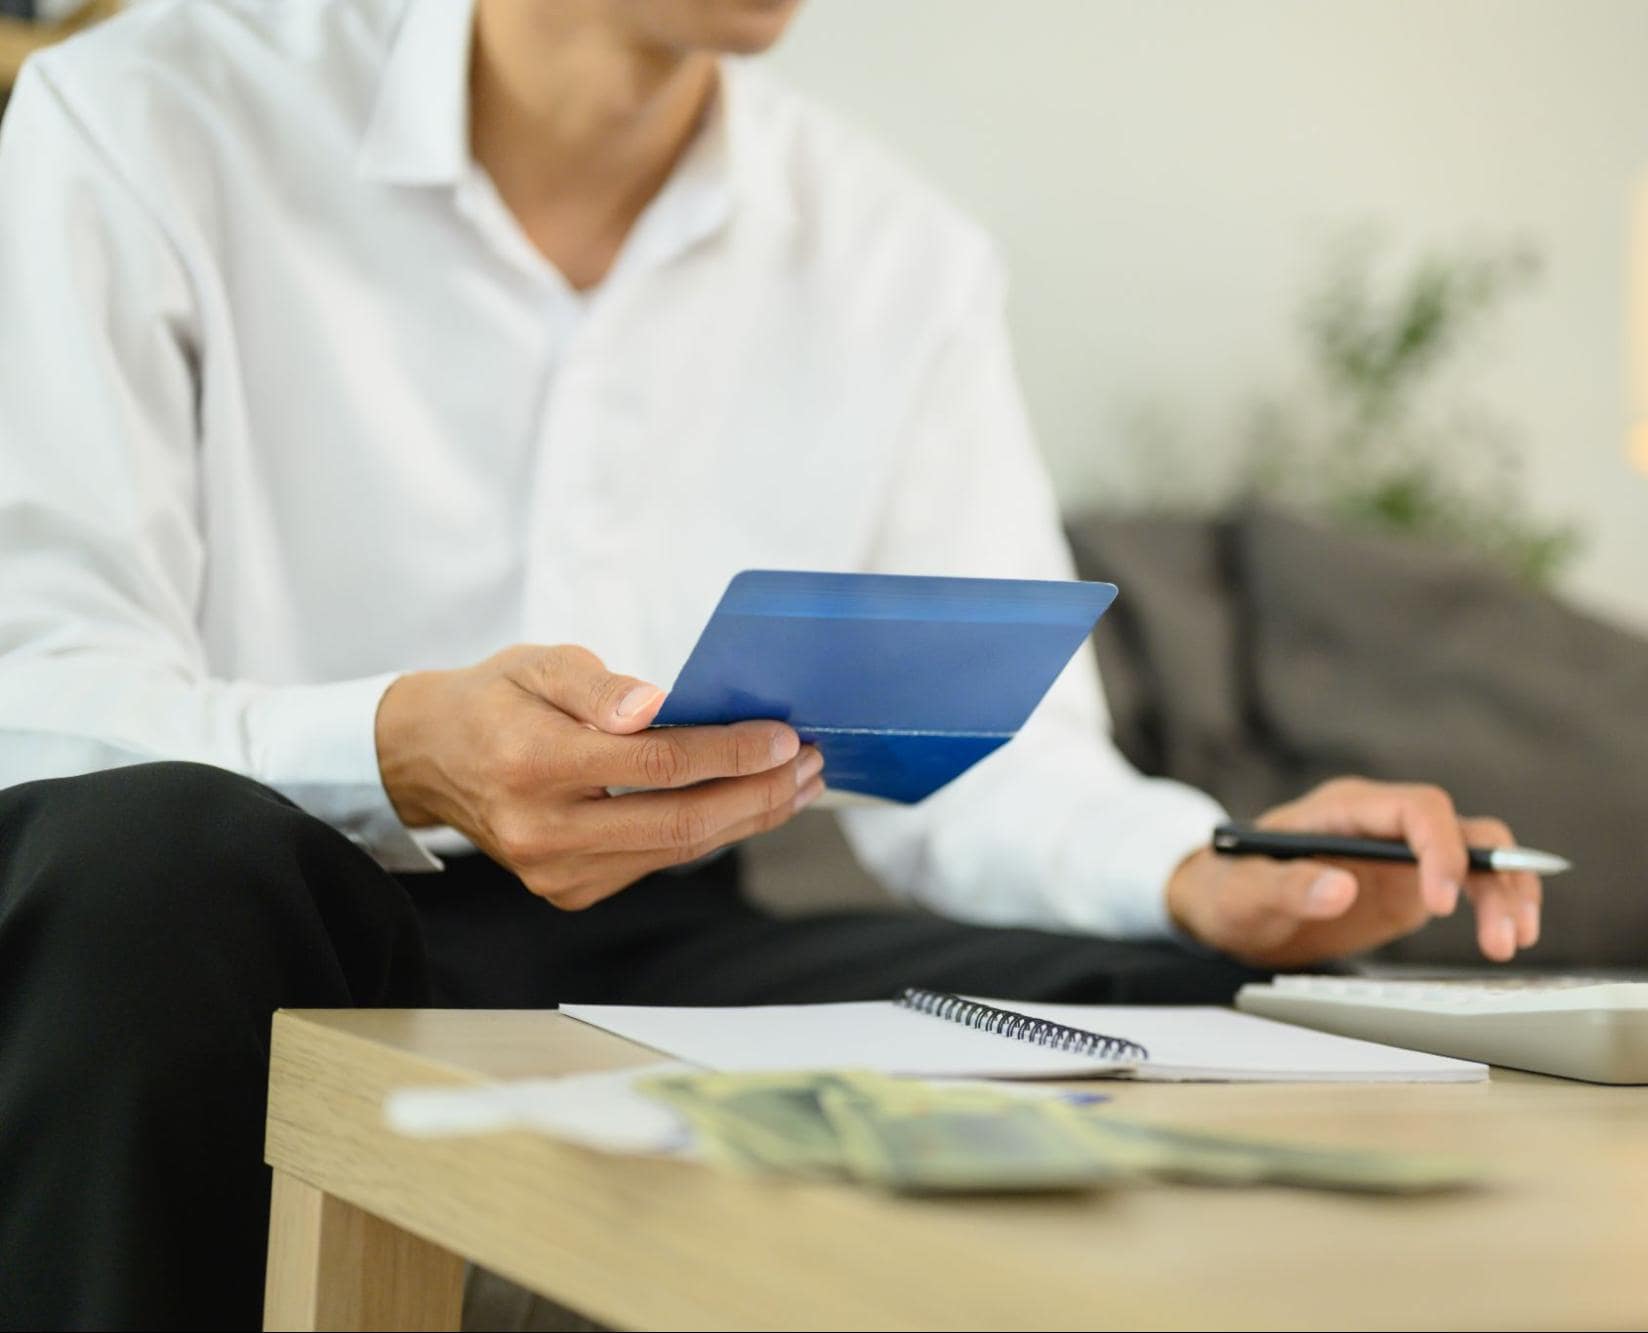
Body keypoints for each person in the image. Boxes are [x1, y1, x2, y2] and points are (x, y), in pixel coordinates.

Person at [0, 1, 1543, 1326]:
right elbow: (37, 686)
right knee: (156, 868)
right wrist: (397, 744)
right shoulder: (150, 117)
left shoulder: (898, 254)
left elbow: (989, 768)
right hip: (275, 920)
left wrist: (1204, 869)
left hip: (671, 947)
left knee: (1199, 1007)